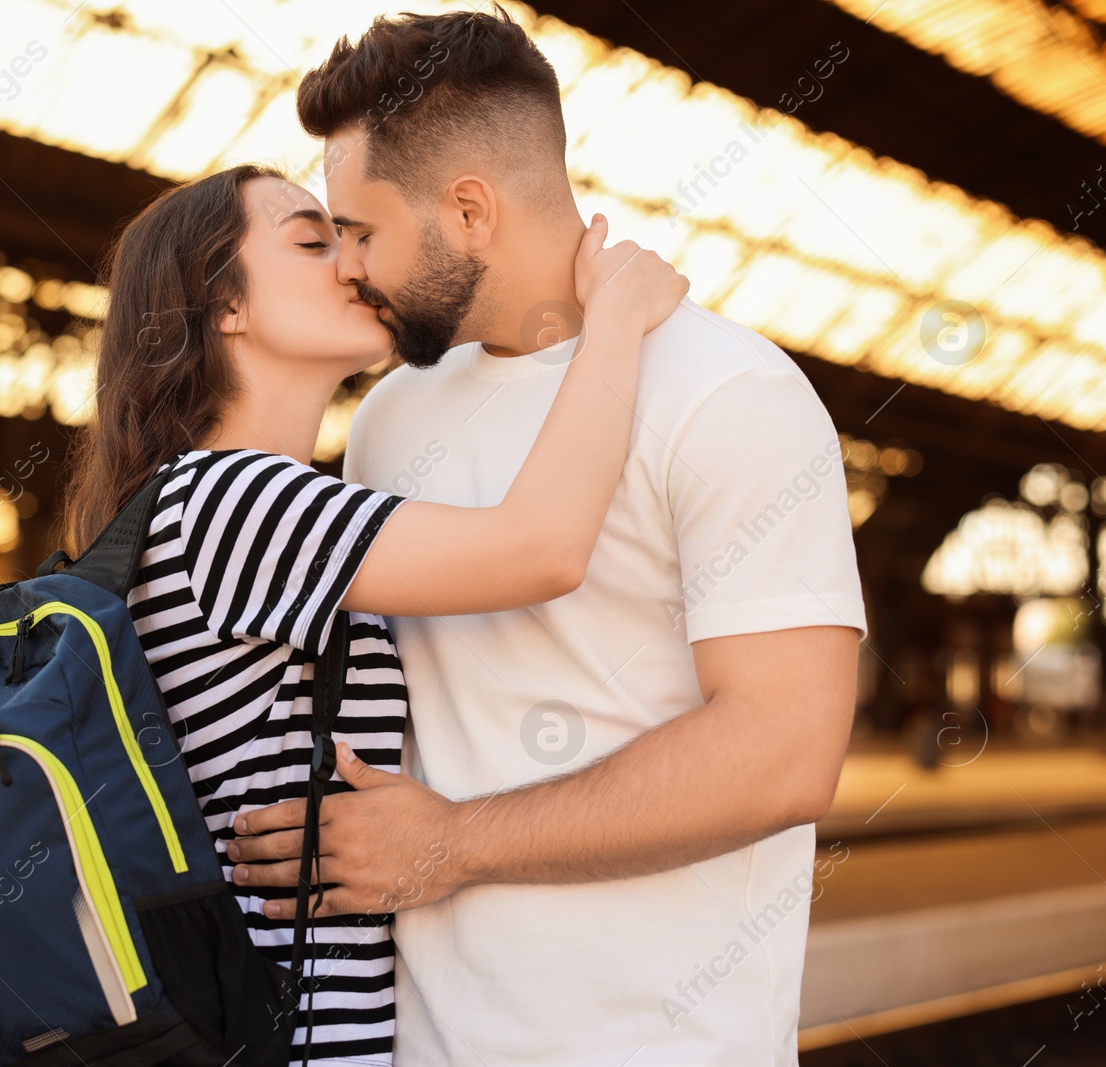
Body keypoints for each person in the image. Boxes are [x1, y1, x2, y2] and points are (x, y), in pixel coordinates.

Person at [225, 8, 868, 1066]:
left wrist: (453, 844)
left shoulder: (729, 391)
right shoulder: (389, 420)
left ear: (470, 210)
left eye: (363, 232)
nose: (347, 268)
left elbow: (786, 751)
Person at [58, 161, 687, 1066]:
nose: (353, 264)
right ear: (222, 304)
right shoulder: (231, 500)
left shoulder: (193, 504)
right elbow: (541, 546)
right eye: (314, 242)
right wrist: (616, 323)